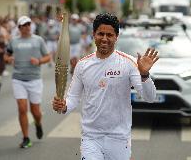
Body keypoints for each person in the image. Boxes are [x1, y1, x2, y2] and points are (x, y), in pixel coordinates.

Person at [52, 13, 159, 160]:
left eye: (109, 35)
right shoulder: (83, 65)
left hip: (119, 138)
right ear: (93, 35)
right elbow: (73, 97)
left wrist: (145, 75)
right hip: (91, 137)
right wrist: (64, 106)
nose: (104, 38)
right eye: (100, 34)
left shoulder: (129, 63)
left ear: (116, 36)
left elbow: (150, 97)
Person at [4, 16, 50, 148]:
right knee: (22, 108)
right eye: (24, 25)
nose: (27, 26)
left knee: (36, 112)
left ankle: (38, 123)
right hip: (18, 79)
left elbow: (48, 57)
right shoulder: (14, 41)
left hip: (34, 79)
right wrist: (9, 59)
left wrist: (39, 61)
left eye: (28, 24)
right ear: (19, 28)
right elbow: (6, 55)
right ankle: (26, 138)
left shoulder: (38, 40)